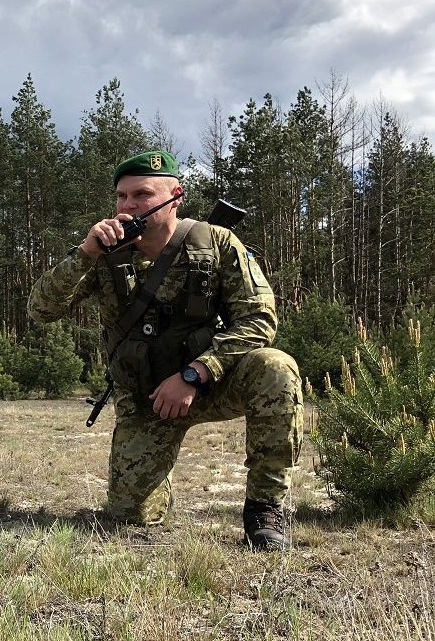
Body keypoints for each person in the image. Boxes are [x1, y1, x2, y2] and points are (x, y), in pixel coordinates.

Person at [27, 150, 303, 550]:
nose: (128, 205)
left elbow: (259, 319)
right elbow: (40, 310)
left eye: (141, 194)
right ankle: (155, 481)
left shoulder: (216, 243)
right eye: (121, 196)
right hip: (146, 399)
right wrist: (86, 253)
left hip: (210, 385)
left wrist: (195, 374)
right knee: (130, 516)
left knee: (276, 368)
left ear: (175, 197)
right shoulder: (103, 254)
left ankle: (264, 510)